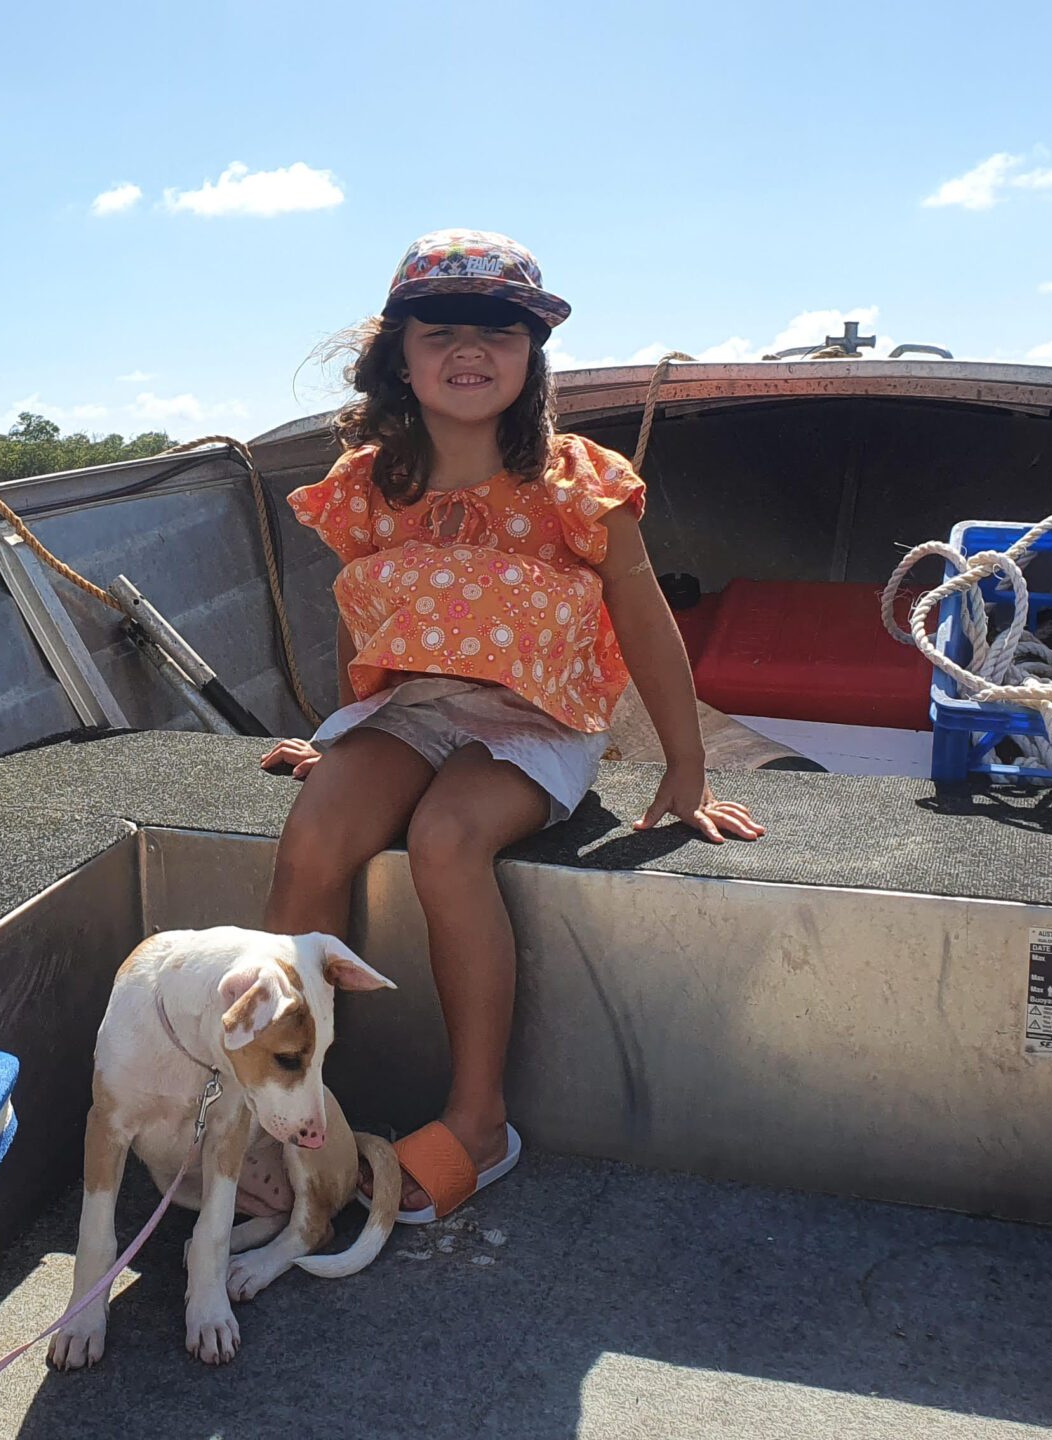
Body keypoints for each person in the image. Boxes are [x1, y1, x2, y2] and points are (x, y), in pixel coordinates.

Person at [260, 233, 763, 1224]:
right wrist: (340, 731)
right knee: (317, 825)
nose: (470, 350)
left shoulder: (579, 483)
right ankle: (282, 1107)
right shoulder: (367, 484)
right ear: (398, 354)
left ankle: (479, 1122)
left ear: (532, 356)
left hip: (540, 720)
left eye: (500, 332)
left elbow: (642, 617)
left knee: (450, 839)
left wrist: (687, 763)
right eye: (440, 330)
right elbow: (363, 612)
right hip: (408, 709)